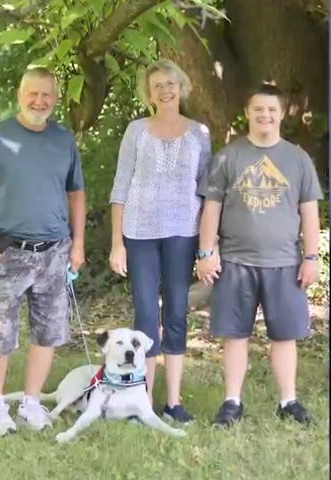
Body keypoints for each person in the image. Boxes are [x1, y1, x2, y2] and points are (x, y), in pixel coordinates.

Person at [0, 67, 87, 437]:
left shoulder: (64, 140)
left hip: (54, 252)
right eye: (33, 94)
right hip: (8, 252)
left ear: (55, 98)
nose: (40, 101)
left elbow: (76, 194)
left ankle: (31, 403)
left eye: (47, 95)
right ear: (20, 94)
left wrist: (78, 244)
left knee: (48, 332)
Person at [196, 82, 323, 427]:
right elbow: (211, 208)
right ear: (247, 113)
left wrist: (311, 258)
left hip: (285, 263)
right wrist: (207, 252)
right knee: (235, 334)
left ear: (282, 114)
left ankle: (288, 401)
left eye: (271, 110)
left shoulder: (297, 159)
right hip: (235, 261)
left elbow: (310, 212)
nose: (265, 115)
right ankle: (232, 402)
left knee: (284, 335)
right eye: (258, 110)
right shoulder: (229, 156)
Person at [108, 59, 211, 423]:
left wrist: (207, 247)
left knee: (177, 313)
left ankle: (174, 402)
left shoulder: (199, 132)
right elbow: (120, 186)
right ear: (149, 95)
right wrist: (116, 243)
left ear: (182, 86)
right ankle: (144, 400)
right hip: (139, 233)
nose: (165, 91)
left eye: (171, 84)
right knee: (146, 314)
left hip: (183, 232)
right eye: (157, 87)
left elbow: (207, 191)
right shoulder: (136, 131)